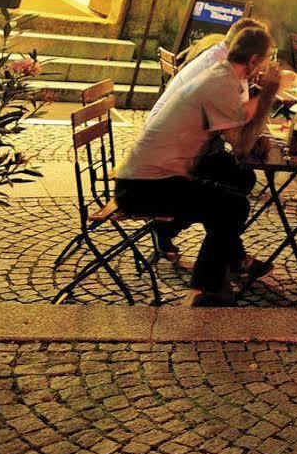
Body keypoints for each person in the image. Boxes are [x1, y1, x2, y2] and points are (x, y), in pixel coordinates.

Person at [115, 22, 280, 306]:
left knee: (234, 185)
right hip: (146, 184)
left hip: (154, 169)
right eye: (265, 61)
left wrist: (256, 111)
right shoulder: (221, 82)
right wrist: (267, 96)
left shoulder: (221, 73)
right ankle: (207, 288)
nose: (264, 68)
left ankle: (223, 266)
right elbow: (241, 146)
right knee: (233, 203)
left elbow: (237, 122)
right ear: (254, 61)